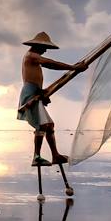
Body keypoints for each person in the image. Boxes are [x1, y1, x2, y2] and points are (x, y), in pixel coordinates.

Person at [18, 32, 84, 169]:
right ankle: (36, 157)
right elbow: (50, 64)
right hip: (30, 93)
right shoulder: (31, 56)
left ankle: (55, 155)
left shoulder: (33, 57)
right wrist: (73, 67)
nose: (45, 50)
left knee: (49, 125)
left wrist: (42, 94)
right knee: (43, 125)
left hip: (35, 92)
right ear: (36, 46)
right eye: (43, 47)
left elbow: (37, 76)